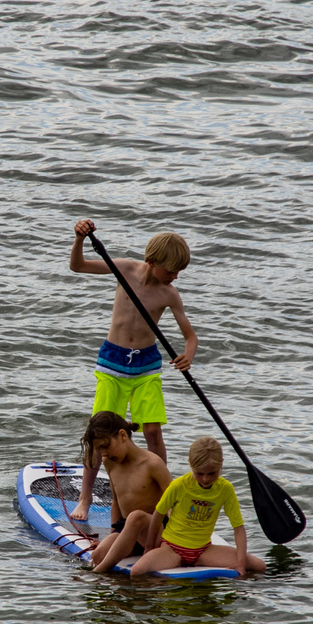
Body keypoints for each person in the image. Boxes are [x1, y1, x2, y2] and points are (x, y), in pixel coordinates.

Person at [68, 219, 197, 513]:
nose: (175, 277)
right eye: (171, 270)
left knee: (153, 432)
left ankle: (162, 497)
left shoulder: (169, 294)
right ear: (152, 262)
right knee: (99, 433)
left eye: (179, 272)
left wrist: (189, 355)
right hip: (112, 364)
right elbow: (78, 266)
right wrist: (78, 239)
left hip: (146, 367)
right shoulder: (124, 269)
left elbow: (190, 336)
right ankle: (85, 498)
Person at [132, 438, 266, 577]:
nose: (205, 479)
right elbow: (158, 514)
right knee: (137, 571)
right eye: (200, 473)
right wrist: (149, 547)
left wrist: (240, 563)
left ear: (221, 465)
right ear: (191, 466)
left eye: (212, 473)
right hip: (172, 549)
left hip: (204, 551)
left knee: (259, 566)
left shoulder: (225, 489)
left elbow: (238, 528)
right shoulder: (179, 485)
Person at [74, 412, 174, 576]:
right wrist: (114, 535)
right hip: (130, 534)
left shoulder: (153, 463)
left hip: (157, 532)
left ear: (122, 435)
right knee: (97, 555)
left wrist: (176, 541)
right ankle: (106, 574)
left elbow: (174, 503)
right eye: (100, 449)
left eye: (105, 446)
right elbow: (116, 500)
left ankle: (99, 572)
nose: (103, 453)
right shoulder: (110, 463)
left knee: (136, 517)